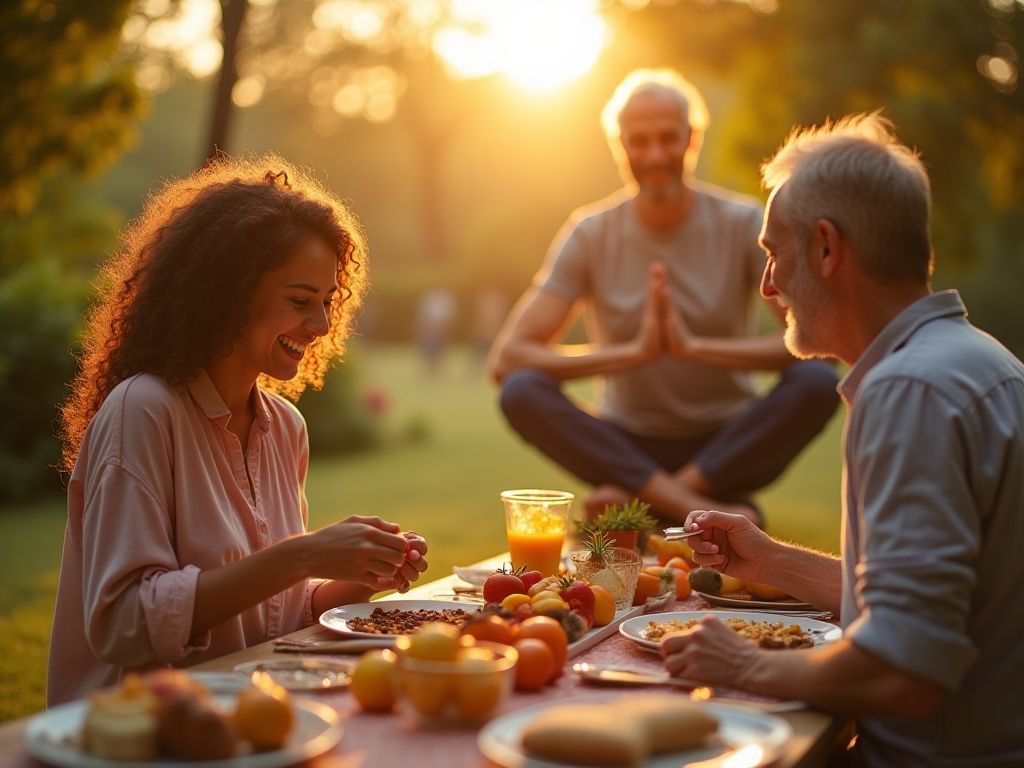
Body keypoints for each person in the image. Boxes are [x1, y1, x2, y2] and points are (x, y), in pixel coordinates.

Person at [662, 113, 1024, 766]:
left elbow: (904, 671)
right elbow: (926, 607)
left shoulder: (909, 391)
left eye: (775, 254)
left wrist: (743, 663)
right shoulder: (980, 361)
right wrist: (772, 564)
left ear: (827, 249)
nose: (769, 288)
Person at [49, 155, 429, 705]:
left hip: (254, 719)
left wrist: (359, 572)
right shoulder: (143, 410)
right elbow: (124, 623)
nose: (322, 325)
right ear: (227, 293)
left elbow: (275, 609)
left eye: (326, 303)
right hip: (139, 733)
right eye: (300, 301)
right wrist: (304, 554)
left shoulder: (284, 428)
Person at [487, 68, 839, 526]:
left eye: (668, 138)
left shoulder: (742, 222)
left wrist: (696, 349)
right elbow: (507, 359)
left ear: (692, 140)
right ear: (620, 147)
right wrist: (630, 353)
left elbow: (817, 340)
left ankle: (648, 500)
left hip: (725, 441)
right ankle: (706, 507)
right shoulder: (590, 232)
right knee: (522, 390)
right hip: (626, 441)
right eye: (639, 141)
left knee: (815, 382)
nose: (654, 154)